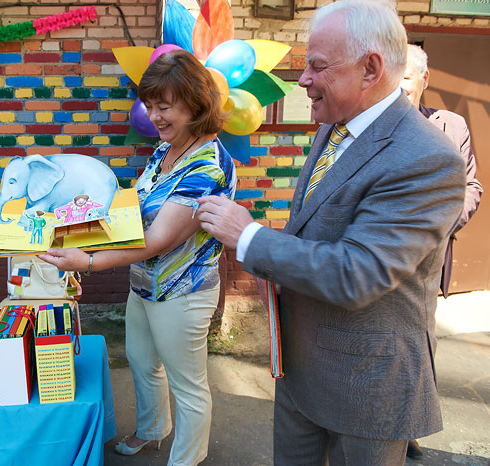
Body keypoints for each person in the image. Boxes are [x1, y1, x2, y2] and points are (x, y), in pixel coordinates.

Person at [196, 1, 466, 464]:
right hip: (301, 369)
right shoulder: (335, 126)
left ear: (370, 69)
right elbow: (315, 228)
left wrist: (249, 237)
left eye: (318, 66)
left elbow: (358, 273)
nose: (303, 79)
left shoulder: (426, 157)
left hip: (366, 386)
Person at [40, 49, 236, 466]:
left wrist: (88, 261)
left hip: (182, 292)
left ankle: (185, 460)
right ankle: (152, 429)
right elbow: (135, 208)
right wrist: (78, 222)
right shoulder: (165, 150)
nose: (153, 116)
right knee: (143, 363)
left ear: (194, 104)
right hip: (144, 284)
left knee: (188, 385)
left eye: (163, 106)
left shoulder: (209, 166)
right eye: (149, 105)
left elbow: (159, 239)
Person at [400, 43, 483, 460]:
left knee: (421, 343)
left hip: (428, 259)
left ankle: (409, 426)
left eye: (407, 77)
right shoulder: (369, 127)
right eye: (393, 77)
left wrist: (437, 229)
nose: (399, 86)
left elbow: (471, 187)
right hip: (381, 256)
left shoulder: (451, 126)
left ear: (424, 80)